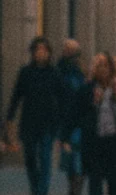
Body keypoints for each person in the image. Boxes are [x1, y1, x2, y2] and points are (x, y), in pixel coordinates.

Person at [5, 37, 66, 195]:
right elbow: (16, 96)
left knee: (45, 158)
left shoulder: (54, 73)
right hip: (29, 122)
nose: (40, 53)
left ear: (48, 53)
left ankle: (41, 191)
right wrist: (10, 118)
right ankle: (35, 188)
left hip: (48, 123)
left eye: (44, 50)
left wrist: (61, 123)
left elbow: (62, 98)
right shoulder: (25, 72)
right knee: (30, 158)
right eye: (37, 49)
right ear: (33, 52)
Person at [64, 52, 116, 195]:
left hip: (115, 142)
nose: (103, 69)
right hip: (94, 142)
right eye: (99, 66)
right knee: (95, 183)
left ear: (112, 68)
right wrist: (65, 137)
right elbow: (75, 114)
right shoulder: (86, 90)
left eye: (106, 65)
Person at [59, 39, 88, 195]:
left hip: (80, 122)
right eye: (66, 49)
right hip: (66, 119)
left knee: (78, 156)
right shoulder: (60, 69)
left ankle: (76, 188)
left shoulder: (82, 71)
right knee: (69, 159)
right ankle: (73, 186)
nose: (68, 52)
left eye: (71, 50)